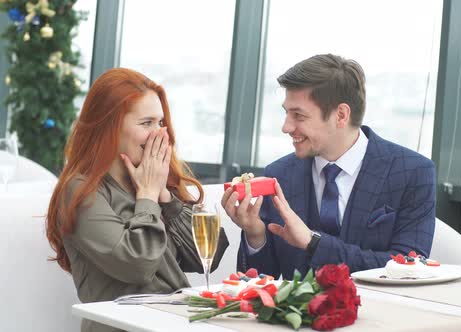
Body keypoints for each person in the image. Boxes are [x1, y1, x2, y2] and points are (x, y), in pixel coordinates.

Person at [46, 68, 229, 332]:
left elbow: (207, 256)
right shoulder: (80, 190)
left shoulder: (155, 181)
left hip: (175, 323)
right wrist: (147, 197)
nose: (160, 135)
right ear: (108, 127)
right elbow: (137, 266)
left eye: (161, 123)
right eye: (146, 124)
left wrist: (165, 196)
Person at [222, 54, 435, 279]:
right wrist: (256, 236)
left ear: (341, 115)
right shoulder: (279, 174)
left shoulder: (413, 172)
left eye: (299, 116)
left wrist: (314, 243)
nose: (286, 127)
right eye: (287, 113)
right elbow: (259, 282)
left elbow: (410, 269)